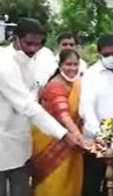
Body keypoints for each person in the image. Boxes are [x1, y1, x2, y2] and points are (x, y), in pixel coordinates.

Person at [0, 18, 82, 196]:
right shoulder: (3, 63)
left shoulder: (35, 59)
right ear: (15, 38)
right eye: (29, 43)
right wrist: (64, 134)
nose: (32, 48)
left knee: (22, 190)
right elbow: (26, 104)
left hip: (20, 139)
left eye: (38, 44)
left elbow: (36, 94)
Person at [80, 34, 113, 196]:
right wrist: (101, 134)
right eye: (106, 55)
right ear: (99, 54)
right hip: (96, 143)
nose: (111, 58)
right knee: (91, 186)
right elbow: (86, 108)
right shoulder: (91, 74)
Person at [32, 49, 85, 196]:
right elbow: (64, 115)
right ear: (60, 65)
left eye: (76, 64)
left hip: (72, 142)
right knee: (53, 184)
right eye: (68, 64)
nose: (72, 68)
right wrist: (79, 137)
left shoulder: (77, 83)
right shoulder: (55, 85)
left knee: (70, 183)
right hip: (52, 142)